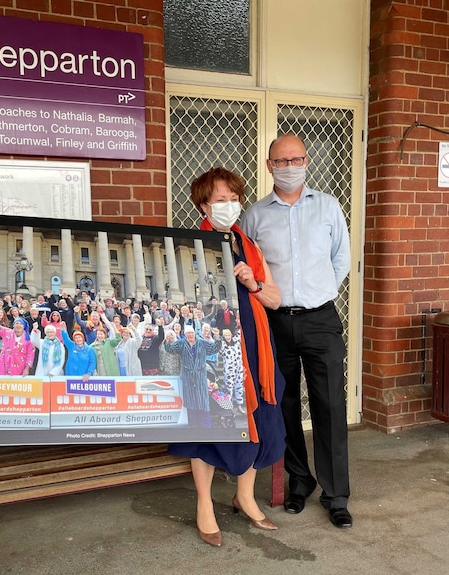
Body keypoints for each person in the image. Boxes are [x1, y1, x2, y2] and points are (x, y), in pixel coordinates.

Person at [168, 166, 286, 548]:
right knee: (206, 424)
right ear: (203, 204)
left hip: (252, 346)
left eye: (234, 199)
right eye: (221, 200)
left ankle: (244, 496)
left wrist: (252, 282)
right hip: (211, 346)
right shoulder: (187, 245)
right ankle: (204, 504)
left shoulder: (249, 246)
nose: (230, 205)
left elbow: (275, 299)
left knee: (255, 417)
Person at [243, 133, 353, 529]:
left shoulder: (328, 206)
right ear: (269, 166)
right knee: (283, 403)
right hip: (274, 321)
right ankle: (299, 480)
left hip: (320, 318)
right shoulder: (255, 215)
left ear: (307, 161)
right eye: (281, 161)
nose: (290, 167)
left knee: (329, 406)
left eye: (297, 159)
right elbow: (252, 270)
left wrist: (321, 292)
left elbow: (341, 257)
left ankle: (336, 493)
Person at [0, 308, 36, 376]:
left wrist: (27, 368)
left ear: (24, 326)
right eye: (16, 323)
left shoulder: (29, 338)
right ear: (13, 325)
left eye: (21, 324)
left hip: (20, 364)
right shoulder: (6, 332)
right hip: (4, 361)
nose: (18, 325)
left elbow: (30, 354)